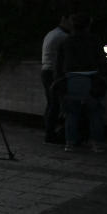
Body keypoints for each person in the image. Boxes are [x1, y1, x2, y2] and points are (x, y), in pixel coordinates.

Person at [56, 13, 107, 153]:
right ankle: (97, 144)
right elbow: (101, 62)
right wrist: (105, 80)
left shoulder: (66, 42)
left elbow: (59, 64)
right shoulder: (94, 41)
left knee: (71, 114)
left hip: (71, 80)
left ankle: (70, 143)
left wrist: (59, 82)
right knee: (95, 113)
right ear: (88, 25)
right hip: (92, 78)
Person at [41, 15, 71, 143]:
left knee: (51, 103)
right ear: (65, 20)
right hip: (53, 72)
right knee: (55, 104)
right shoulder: (63, 37)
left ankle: (49, 132)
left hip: (46, 70)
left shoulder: (51, 34)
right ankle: (51, 134)